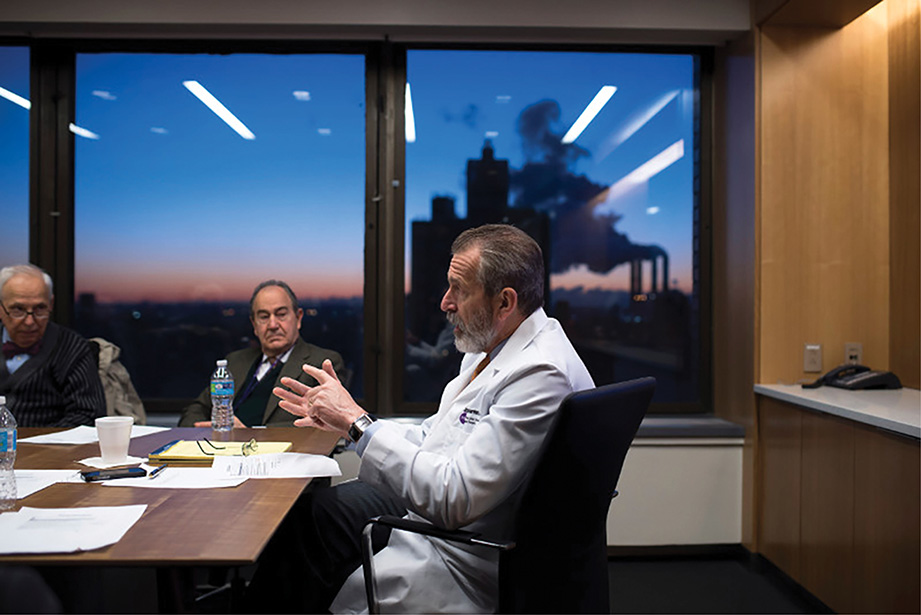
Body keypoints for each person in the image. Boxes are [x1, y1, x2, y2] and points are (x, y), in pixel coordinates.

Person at [248, 224, 594, 613]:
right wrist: (351, 423)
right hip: (437, 515)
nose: (445, 302)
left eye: (458, 289)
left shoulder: (540, 374)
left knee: (302, 547)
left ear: (504, 302)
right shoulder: (491, 349)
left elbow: (454, 499)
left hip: (457, 550)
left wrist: (357, 424)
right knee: (308, 517)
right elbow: (435, 435)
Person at [179, 280, 344, 428]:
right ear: (254, 325)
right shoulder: (235, 361)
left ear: (298, 318)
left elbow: (326, 425)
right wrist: (202, 431)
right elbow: (195, 410)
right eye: (264, 317)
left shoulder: (322, 363)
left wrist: (249, 434)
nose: (272, 325)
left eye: (281, 314)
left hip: (278, 452)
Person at [0, 264, 105, 427]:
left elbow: (88, 415)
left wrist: (40, 439)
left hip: (48, 441)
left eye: (40, 309)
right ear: (1, 308)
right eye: (18, 309)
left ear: (51, 304)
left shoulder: (73, 348)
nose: (29, 321)